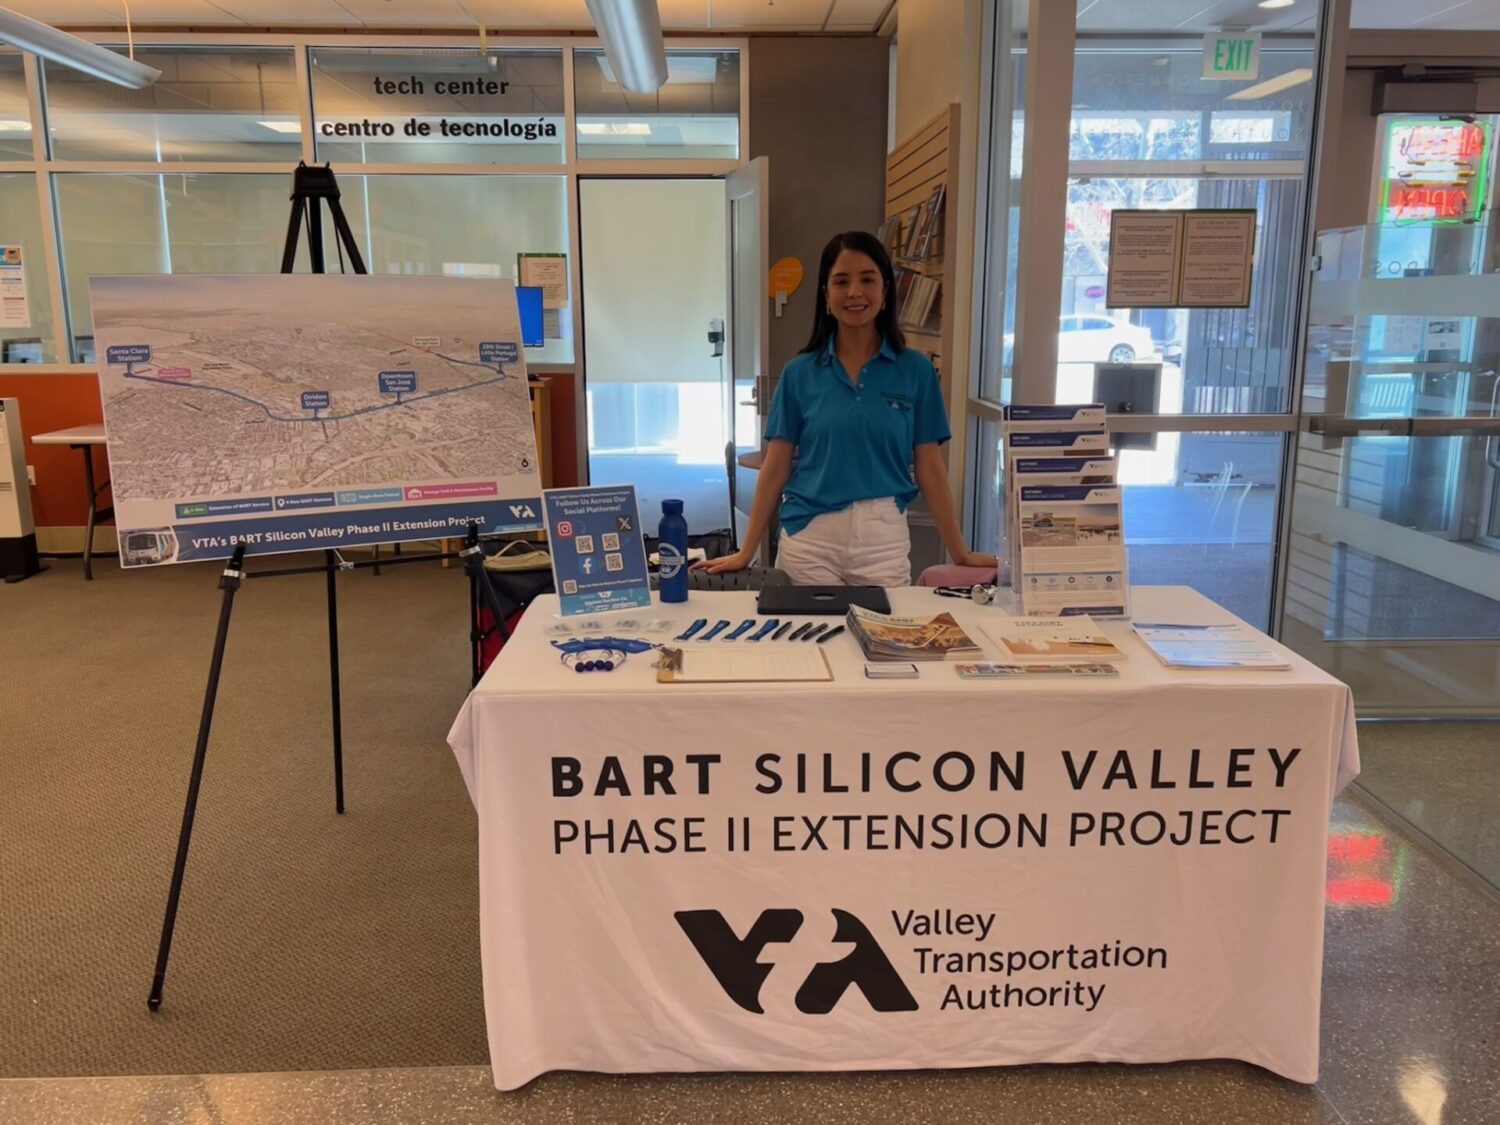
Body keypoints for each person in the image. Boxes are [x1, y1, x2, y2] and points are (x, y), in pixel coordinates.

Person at [701, 230, 996, 587]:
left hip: (882, 542)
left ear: (885, 291)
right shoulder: (799, 373)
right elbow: (776, 465)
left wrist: (960, 552)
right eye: (841, 281)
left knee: (886, 639)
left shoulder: (915, 370)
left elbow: (931, 468)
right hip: (809, 539)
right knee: (804, 641)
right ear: (826, 296)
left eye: (867, 279)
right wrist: (746, 552)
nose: (855, 292)